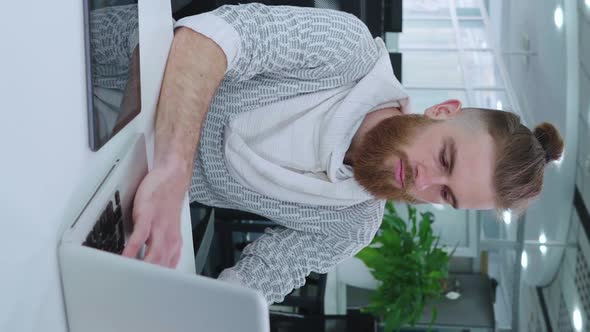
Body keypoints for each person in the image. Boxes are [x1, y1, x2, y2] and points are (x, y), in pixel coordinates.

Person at [121, 3, 564, 304]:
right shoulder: (349, 52)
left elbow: (262, 278)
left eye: (445, 195)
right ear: (443, 111)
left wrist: (217, 315)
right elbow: (211, 40)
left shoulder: (353, 225)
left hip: (127, 188)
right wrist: (174, 167)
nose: (423, 182)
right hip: (113, 79)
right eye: (445, 159)